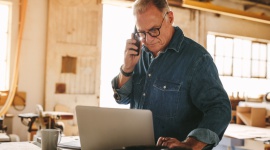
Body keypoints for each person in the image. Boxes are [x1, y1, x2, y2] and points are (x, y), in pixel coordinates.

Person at [111, 0, 231, 149]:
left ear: (170, 18)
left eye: (154, 30)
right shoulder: (138, 54)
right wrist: (127, 68)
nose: (148, 39)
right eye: (141, 32)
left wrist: (190, 144)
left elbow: (219, 109)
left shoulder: (197, 59)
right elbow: (122, 99)